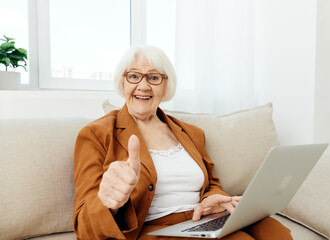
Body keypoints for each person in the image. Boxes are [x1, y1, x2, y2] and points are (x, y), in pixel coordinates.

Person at [72, 45, 293, 240]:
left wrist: (213, 197)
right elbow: (84, 226)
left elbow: (212, 182)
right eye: (133, 76)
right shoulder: (95, 134)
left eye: (154, 77)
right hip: (157, 228)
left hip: (203, 219)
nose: (144, 86)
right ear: (122, 81)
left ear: (166, 86)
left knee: (276, 232)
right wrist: (107, 201)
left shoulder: (191, 133)